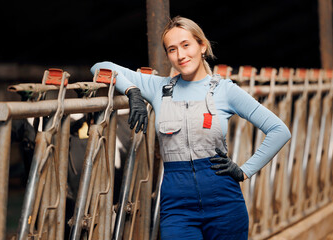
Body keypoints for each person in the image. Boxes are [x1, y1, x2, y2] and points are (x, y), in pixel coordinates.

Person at [91, 16, 291, 240]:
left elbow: (279, 130)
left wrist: (245, 171)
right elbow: (101, 67)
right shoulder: (159, 88)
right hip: (177, 205)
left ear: (202, 46)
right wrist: (132, 92)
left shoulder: (225, 90)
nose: (181, 55)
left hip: (223, 199)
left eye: (186, 45)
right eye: (172, 49)